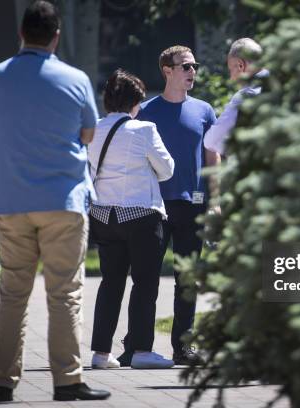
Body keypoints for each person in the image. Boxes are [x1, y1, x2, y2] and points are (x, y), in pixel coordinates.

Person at [0, 1, 109, 402]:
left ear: (21, 33)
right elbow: (89, 133)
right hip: (62, 200)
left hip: (11, 198)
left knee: (12, 294)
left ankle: (2, 383)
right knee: (65, 293)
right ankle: (68, 381)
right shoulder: (75, 79)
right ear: (56, 36)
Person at [121, 45, 219, 366]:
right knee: (146, 277)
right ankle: (137, 346)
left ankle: (184, 347)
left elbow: (212, 158)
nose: (192, 72)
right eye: (186, 67)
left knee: (187, 280)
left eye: (194, 67)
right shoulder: (146, 111)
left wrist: (215, 201)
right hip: (154, 207)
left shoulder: (204, 110)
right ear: (167, 71)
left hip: (194, 205)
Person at [88, 69, 175, 370]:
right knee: (144, 283)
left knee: (110, 283)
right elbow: (167, 169)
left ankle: (100, 353)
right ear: (135, 102)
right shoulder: (144, 129)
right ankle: (140, 351)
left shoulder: (94, 129)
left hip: (103, 215)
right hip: (140, 215)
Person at [203, 38, 268, 156]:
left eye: (230, 70)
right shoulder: (285, 83)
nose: (232, 78)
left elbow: (211, 141)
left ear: (240, 65)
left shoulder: (246, 96)